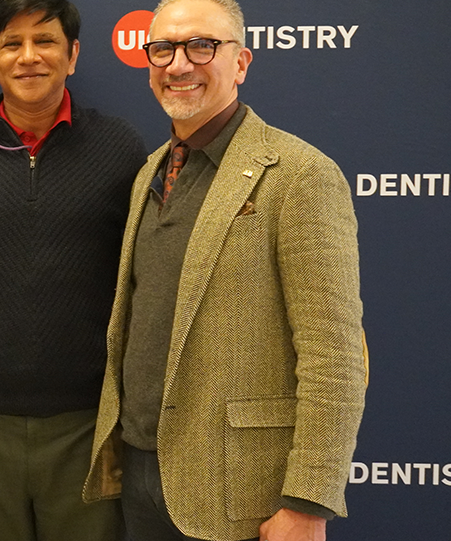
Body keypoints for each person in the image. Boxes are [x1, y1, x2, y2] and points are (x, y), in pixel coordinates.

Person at [81, 0, 367, 540]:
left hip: (243, 494)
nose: (179, 64)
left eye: (201, 46)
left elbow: (334, 354)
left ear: (240, 63)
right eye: (162, 49)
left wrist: (308, 502)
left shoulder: (299, 175)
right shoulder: (150, 173)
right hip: (141, 472)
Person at [0, 0, 146, 539]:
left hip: (87, 426)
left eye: (45, 41)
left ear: (72, 54)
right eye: (11, 44)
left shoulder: (121, 149)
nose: (29, 57)